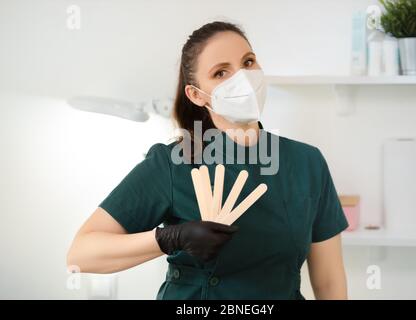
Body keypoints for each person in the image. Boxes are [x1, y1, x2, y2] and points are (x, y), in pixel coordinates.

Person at [67, 21, 349, 300]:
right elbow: (81, 254)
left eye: (248, 62)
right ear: (196, 95)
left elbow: (329, 282)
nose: (242, 79)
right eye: (221, 72)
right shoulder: (173, 163)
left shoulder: (307, 163)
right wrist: (171, 238)